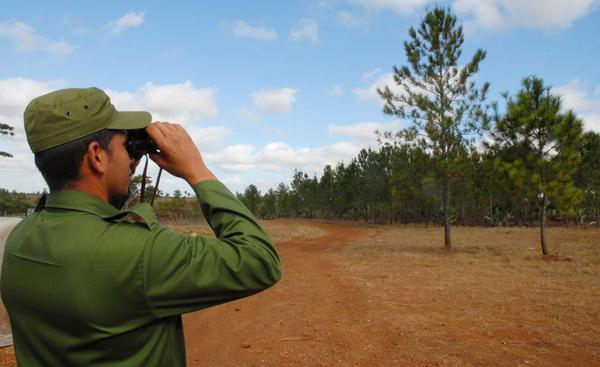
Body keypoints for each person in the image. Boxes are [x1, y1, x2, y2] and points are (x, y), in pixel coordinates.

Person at [0, 87, 281, 366]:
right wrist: (197, 169)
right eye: (126, 147)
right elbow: (260, 259)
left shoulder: (20, 238)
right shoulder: (139, 253)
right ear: (97, 156)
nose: (132, 159)